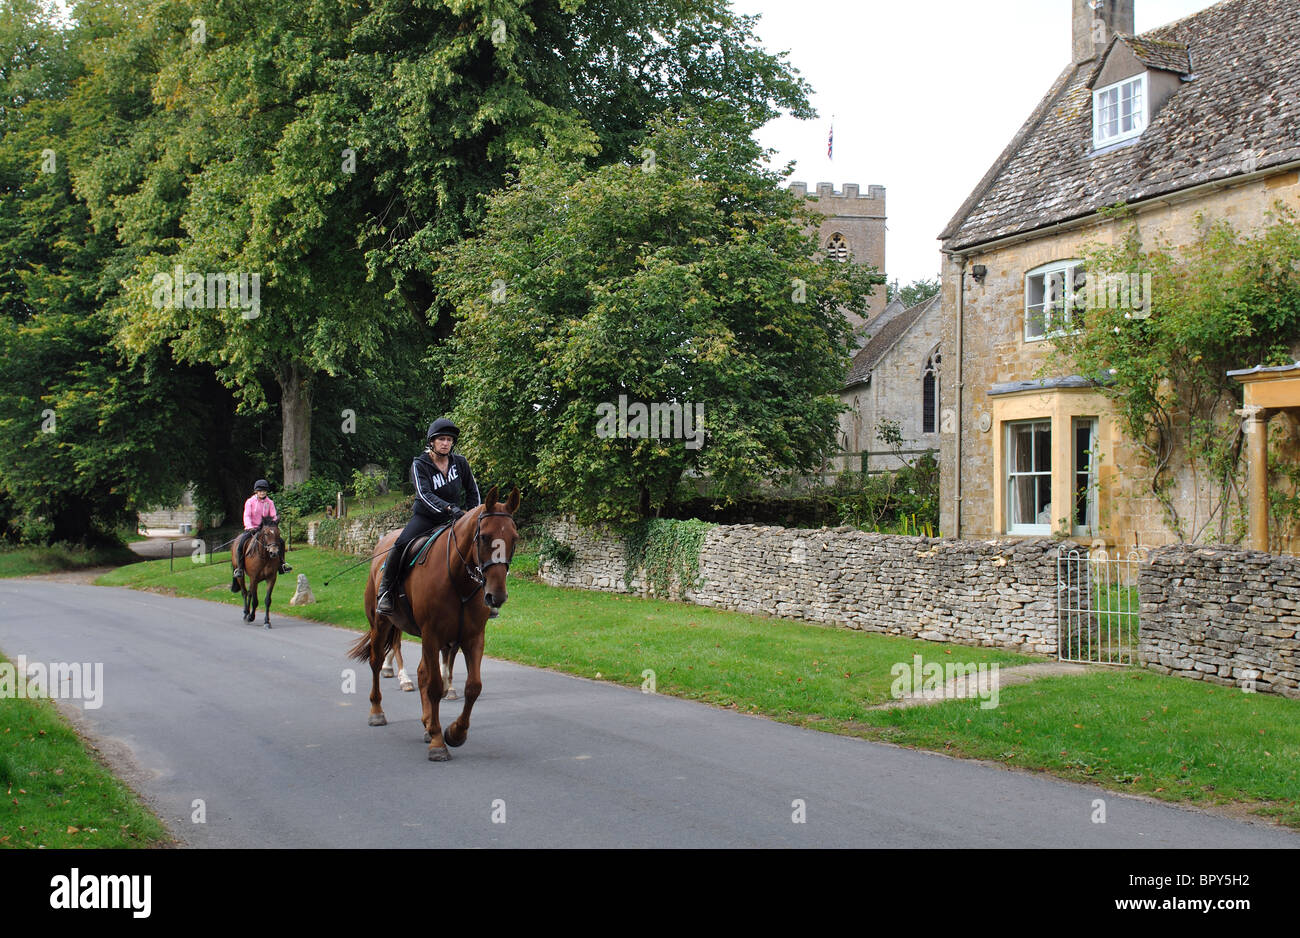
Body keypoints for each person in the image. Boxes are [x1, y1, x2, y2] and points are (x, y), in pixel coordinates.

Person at [376, 418, 482, 615]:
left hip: (456, 519)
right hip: (426, 518)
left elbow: (472, 490)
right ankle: (385, 593)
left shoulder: (460, 463)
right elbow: (425, 495)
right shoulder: (420, 464)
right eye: (441, 439)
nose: (446, 443)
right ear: (431, 442)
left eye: (449, 440)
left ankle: (485, 596)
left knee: (478, 547)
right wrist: (450, 508)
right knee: (400, 545)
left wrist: (473, 516)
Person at [233, 480, 292, 581]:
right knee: (241, 544)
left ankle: (282, 565)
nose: (262, 493)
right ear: (256, 491)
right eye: (260, 491)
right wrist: (249, 526)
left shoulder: (270, 502)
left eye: (264, 491)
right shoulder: (250, 502)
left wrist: (274, 523)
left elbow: (273, 515)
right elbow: (247, 515)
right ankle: (240, 568)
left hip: (266, 529)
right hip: (252, 529)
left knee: (281, 542)